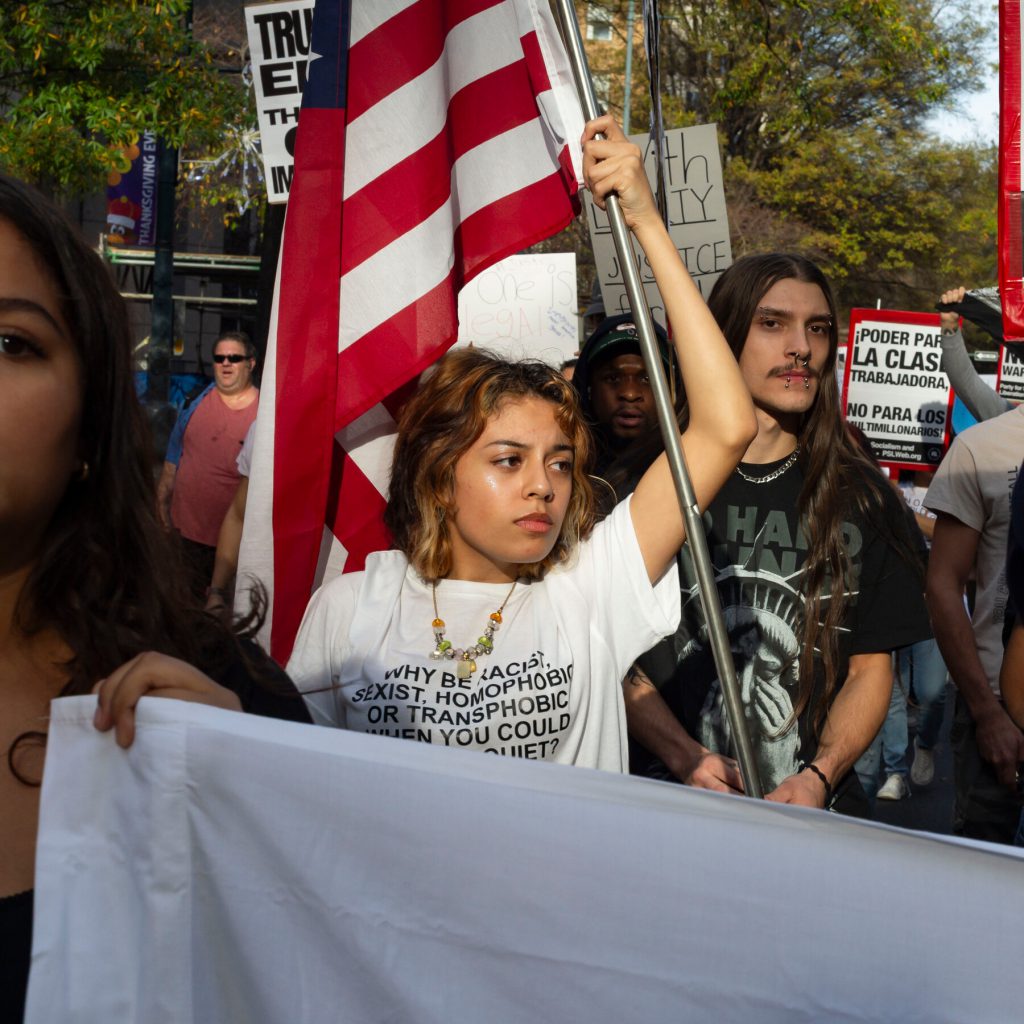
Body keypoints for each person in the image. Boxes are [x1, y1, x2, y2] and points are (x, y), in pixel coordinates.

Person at [285, 115, 757, 770]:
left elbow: (724, 427)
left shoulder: (588, 589)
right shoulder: (349, 611)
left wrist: (646, 222)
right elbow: (294, 779)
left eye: (560, 463)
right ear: (440, 474)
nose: (544, 485)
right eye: (509, 460)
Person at [0, 174, 306, 1022]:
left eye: (7, 343)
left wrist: (250, 819)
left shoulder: (224, 704)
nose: (226, 366)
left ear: (90, 429)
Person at [620, 253, 931, 813]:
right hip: (660, 809)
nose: (801, 348)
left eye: (816, 328)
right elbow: (608, 652)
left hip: (807, 817)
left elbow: (869, 667)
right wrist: (684, 756)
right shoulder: (648, 481)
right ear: (724, 336)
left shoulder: (864, 498)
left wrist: (819, 775)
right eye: (772, 323)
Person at [926, 402, 1024, 842]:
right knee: (986, 871)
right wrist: (987, 714)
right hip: (1001, 703)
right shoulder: (979, 448)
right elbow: (944, 585)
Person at [156, 330, 260, 594]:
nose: (226, 363)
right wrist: (161, 509)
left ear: (251, 363)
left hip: (231, 553)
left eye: (234, 357)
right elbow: (172, 461)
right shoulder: (194, 402)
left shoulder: (264, 414)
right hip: (182, 542)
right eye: (219, 357)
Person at [570, 313, 676, 479]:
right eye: (612, 378)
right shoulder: (565, 472)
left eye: (648, 378)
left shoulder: (692, 471)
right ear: (588, 388)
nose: (630, 393)